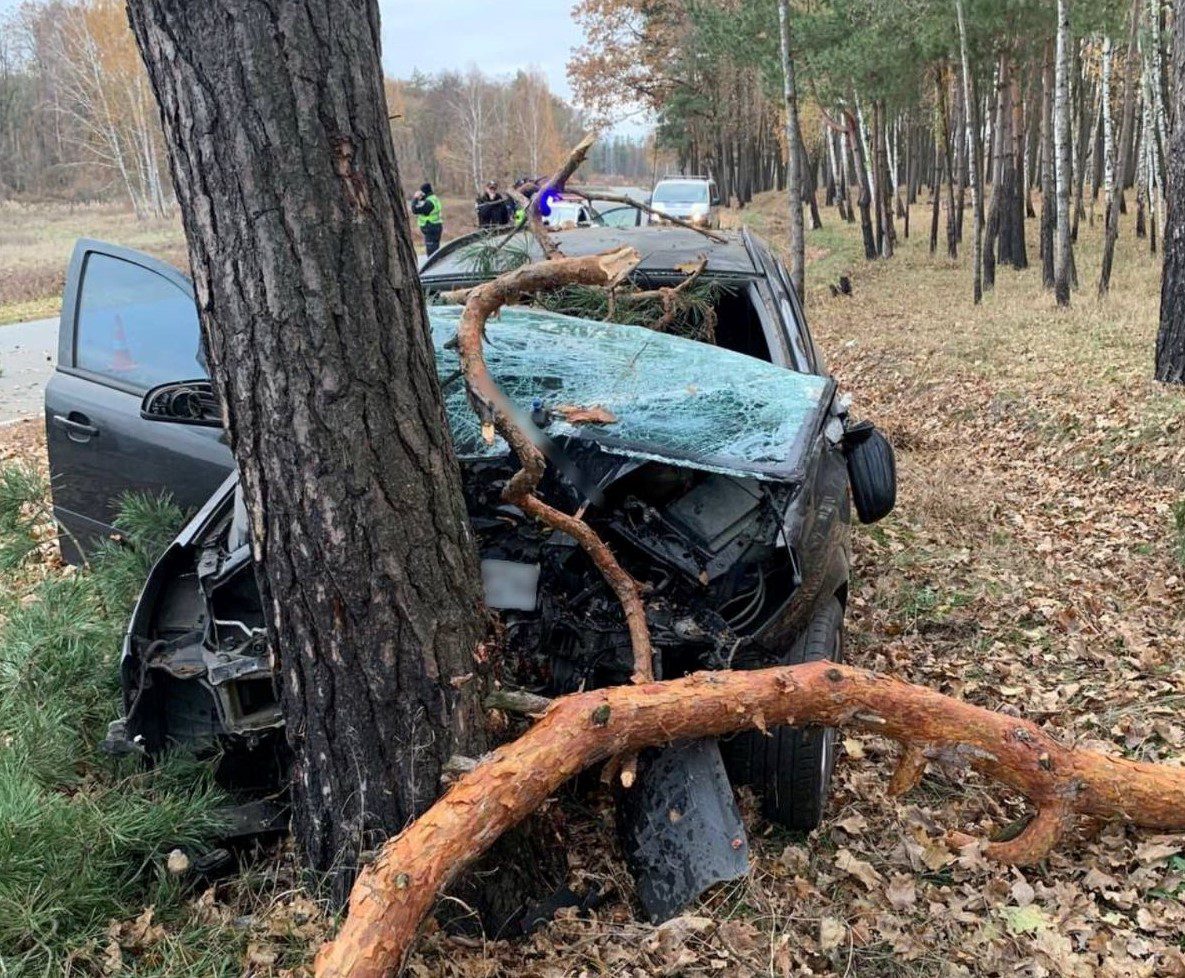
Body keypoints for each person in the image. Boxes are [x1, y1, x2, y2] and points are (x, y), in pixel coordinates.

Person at [410, 182, 443, 256]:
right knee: (435, 249)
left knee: (431, 253)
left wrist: (415, 198)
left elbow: (414, 209)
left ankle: (433, 266)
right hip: (436, 226)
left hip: (430, 226)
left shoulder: (429, 203)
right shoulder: (434, 198)